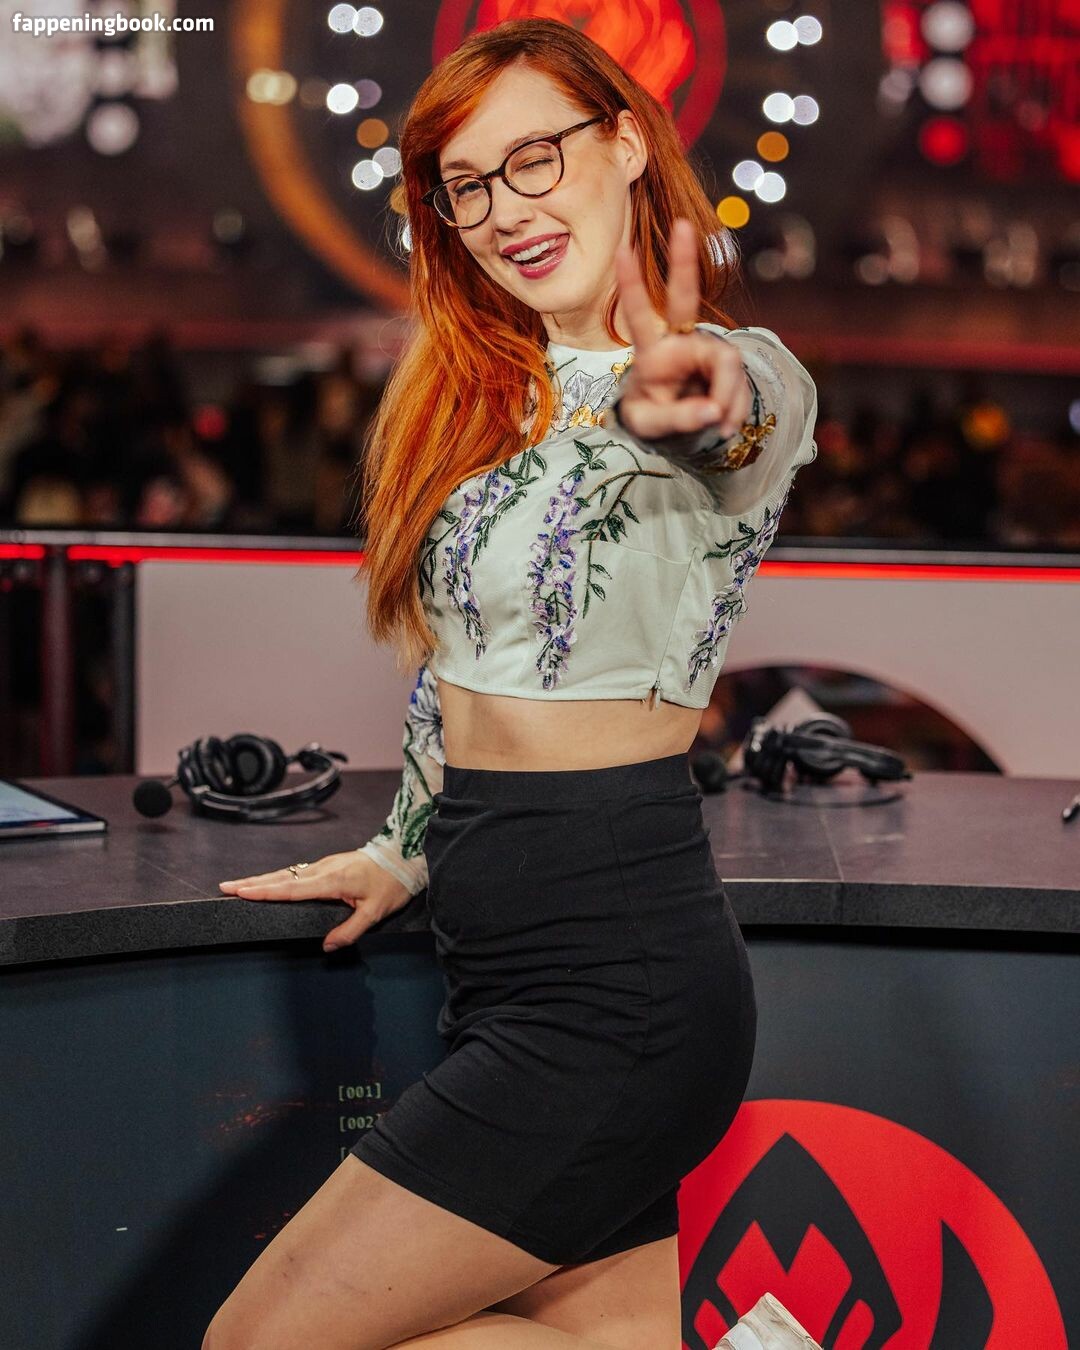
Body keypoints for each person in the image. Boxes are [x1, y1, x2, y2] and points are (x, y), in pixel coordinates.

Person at [210, 17, 820, 1350]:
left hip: (621, 981)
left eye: (534, 158)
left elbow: (741, 413)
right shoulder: (479, 399)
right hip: (503, 961)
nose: (503, 210)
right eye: (467, 185)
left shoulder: (730, 375)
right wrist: (404, 846)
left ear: (626, 142)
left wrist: (698, 389)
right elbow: (457, 670)